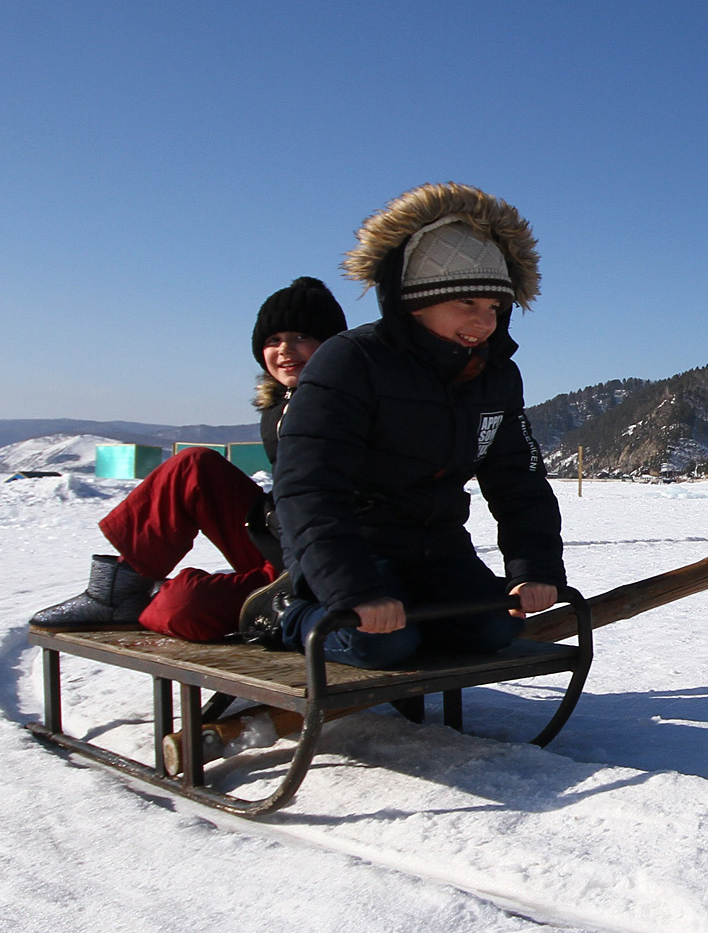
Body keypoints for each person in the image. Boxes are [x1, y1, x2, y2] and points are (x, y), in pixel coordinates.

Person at [260, 182, 566, 669]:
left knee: (493, 625)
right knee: (382, 642)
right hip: (358, 544)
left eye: (494, 307)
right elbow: (308, 486)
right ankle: (287, 615)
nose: (484, 322)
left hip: (438, 547)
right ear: (416, 300)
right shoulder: (350, 361)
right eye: (466, 303)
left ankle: (410, 617)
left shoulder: (495, 375)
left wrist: (533, 569)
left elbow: (519, 480)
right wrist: (353, 589)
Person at [28, 277, 348, 638]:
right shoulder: (279, 407)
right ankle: (118, 591)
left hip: (330, 561)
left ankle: (159, 597)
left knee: (181, 607)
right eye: (273, 340)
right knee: (193, 466)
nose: (285, 349)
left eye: (302, 337)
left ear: (333, 347)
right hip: (281, 540)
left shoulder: (352, 401)